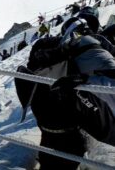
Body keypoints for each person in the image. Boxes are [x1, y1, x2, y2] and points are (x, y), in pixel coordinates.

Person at [15, 18, 115, 169]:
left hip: (93, 111)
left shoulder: (73, 50)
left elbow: (35, 76)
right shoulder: (100, 45)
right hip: (94, 107)